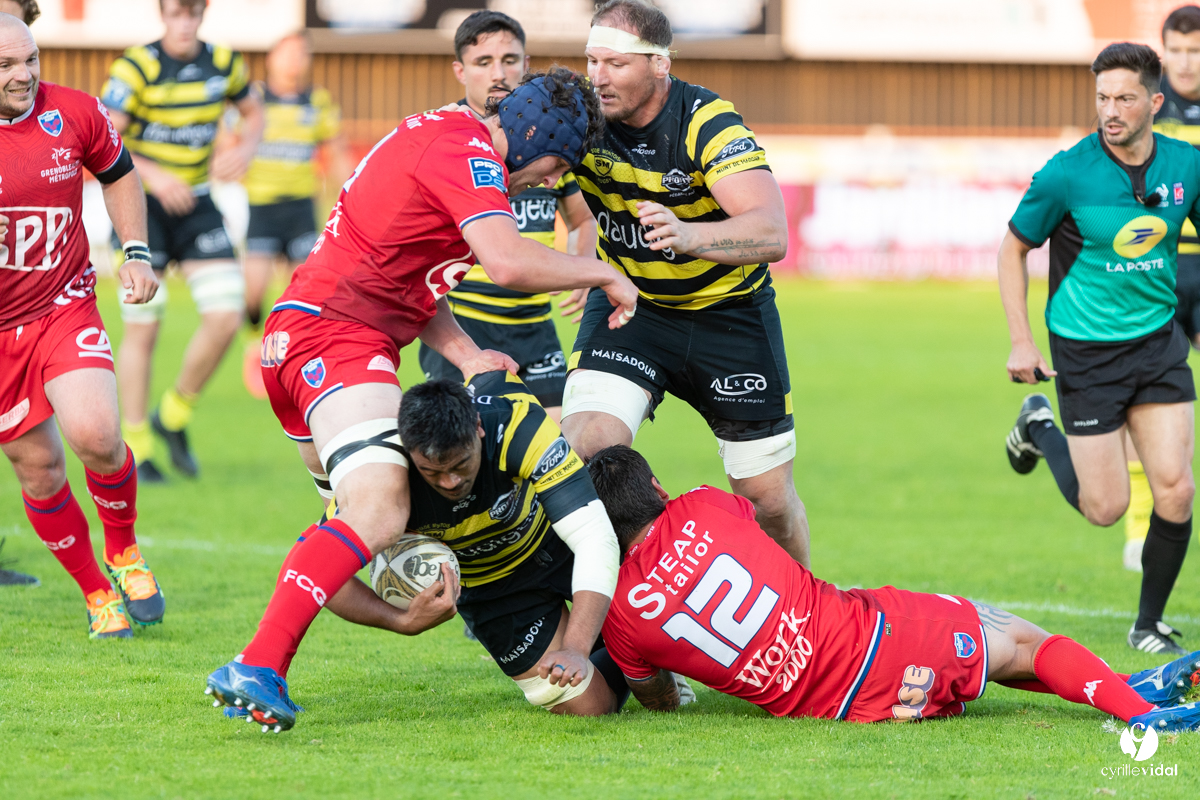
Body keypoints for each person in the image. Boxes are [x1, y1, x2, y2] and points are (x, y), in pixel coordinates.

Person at [203, 68, 640, 733]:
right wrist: (605, 270)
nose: (553, 182)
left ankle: (270, 662)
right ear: (532, 137)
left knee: (351, 537)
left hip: (309, 338)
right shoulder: (466, 152)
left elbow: (406, 279)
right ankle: (258, 664)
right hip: (337, 338)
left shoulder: (448, 140)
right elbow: (508, 263)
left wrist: (466, 355)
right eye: (558, 165)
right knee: (381, 511)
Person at [587, 446, 1200, 731]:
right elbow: (752, 547)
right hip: (868, 638)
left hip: (848, 706)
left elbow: (659, 697)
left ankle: (1125, 687)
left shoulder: (620, 620)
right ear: (658, 487)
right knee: (1023, 640)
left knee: (999, 664)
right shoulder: (704, 506)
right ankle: (1145, 716)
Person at [563, 0, 810, 567]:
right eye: (591, 61)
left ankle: (807, 618)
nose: (598, 78)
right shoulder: (580, 116)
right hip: (633, 311)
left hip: (728, 315)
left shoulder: (706, 121)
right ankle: (612, 616)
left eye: (615, 64)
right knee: (584, 450)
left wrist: (690, 235)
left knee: (767, 499)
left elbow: (772, 232)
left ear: (659, 66)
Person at [1001, 43, 1199, 656]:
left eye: (1124, 98)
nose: (1110, 111)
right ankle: (1039, 425)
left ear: (1154, 102)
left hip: (1159, 344)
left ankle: (1148, 624)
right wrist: (1021, 338)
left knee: (1177, 489)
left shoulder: (1187, 166)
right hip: (1086, 355)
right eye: (1102, 98)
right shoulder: (1066, 173)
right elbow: (1012, 250)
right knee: (1105, 508)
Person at [301, 372, 632, 717]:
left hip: (557, 542)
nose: (451, 481)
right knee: (589, 706)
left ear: (478, 428)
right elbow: (317, 570)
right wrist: (400, 621)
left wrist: (576, 648)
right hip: (492, 591)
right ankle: (625, 648)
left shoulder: (518, 424)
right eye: (432, 472)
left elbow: (594, 537)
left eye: (461, 464)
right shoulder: (383, 475)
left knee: (650, 614)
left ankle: (631, 646)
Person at [0, 13, 165, 637]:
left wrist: (137, 250)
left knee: (96, 435)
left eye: (31, 60)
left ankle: (122, 549)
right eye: (6, 66)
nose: (25, 76)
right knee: (39, 469)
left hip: (63, 305)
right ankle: (96, 590)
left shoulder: (74, 113)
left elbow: (120, 175)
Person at [100, 0, 264, 482]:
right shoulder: (137, 66)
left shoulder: (224, 62)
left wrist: (248, 147)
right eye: (176, 12)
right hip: (140, 205)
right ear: (163, 13)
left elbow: (254, 111)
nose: (185, 21)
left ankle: (171, 416)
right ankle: (138, 445)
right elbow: (106, 135)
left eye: (193, 12)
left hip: (197, 203)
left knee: (226, 315)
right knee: (144, 325)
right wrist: (154, 175)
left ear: (203, 12)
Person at [417, 11, 597, 422]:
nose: (499, 73)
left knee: (561, 450)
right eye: (484, 62)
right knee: (475, 451)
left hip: (536, 326)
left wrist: (584, 268)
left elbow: (583, 220)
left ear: (527, 63)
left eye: (510, 60)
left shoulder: (550, 139)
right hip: (465, 326)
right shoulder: (450, 139)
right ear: (460, 71)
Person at [1118, 5, 1200, 574]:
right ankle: (1140, 519)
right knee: (1147, 400)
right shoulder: (1143, 108)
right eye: (1178, 50)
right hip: (1157, 274)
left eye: (1197, 51)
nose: (1187, 61)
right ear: (1163, 50)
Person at [238, 30, 351, 400]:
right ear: (271, 58)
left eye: (302, 54)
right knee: (253, 292)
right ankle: (253, 345)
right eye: (288, 53)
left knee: (305, 294)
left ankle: (292, 356)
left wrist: (349, 192)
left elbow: (336, 153)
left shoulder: (316, 101)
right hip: (263, 207)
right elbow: (228, 141)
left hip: (301, 207)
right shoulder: (251, 99)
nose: (295, 61)